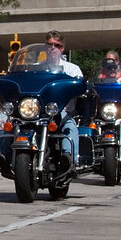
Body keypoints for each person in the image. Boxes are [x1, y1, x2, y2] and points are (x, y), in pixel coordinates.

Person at [45, 30, 84, 163]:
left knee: (70, 127)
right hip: (40, 113)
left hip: (63, 112)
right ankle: (6, 157)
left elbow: (81, 87)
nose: (52, 48)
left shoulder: (72, 69)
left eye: (56, 45)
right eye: (50, 45)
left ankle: (69, 159)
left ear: (62, 48)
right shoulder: (37, 68)